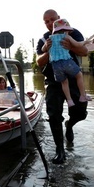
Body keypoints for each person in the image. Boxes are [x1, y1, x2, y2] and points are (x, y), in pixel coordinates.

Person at [36, 9, 88, 164]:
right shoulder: (44, 39)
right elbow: (38, 61)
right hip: (53, 81)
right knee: (53, 115)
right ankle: (60, 150)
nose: (49, 23)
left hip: (73, 79)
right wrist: (47, 50)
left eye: (52, 19)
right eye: (46, 21)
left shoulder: (72, 32)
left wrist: (70, 46)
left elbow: (84, 51)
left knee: (81, 112)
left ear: (59, 18)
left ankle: (69, 124)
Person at [42, 18, 92, 107]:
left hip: (56, 66)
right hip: (67, 62)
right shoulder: (66, 36)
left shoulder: (50, 39)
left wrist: (46, 47)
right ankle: (83, 96)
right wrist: (86, 42)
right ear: (66, 30)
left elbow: (43, 49)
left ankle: (69, 101)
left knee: (64, 82)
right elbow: (78, 45)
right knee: (79, 75)